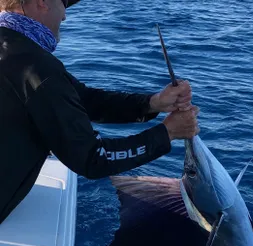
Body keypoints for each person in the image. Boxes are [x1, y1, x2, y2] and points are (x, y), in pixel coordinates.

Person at [0, 0, 200, 224]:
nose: (65, 16)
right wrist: (168, 133)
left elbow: (80, 98)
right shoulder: (35, 67)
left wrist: (153, 103)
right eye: (64, 3)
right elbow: (92, 159)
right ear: (42, 2)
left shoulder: (19, 53)